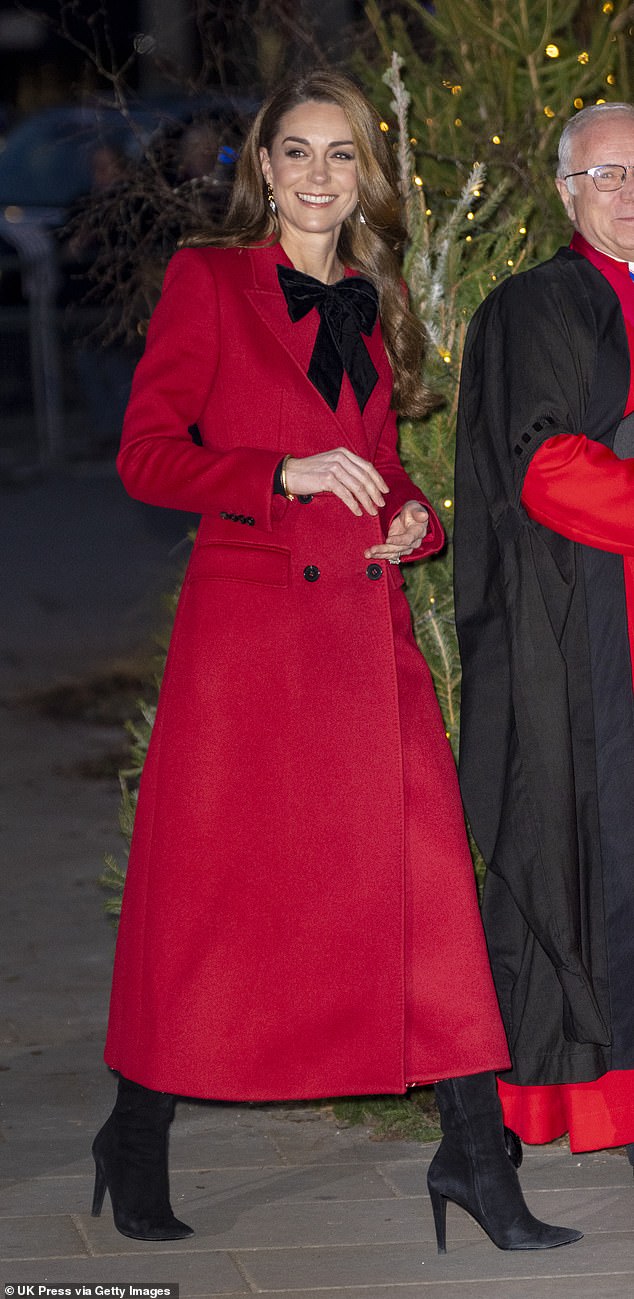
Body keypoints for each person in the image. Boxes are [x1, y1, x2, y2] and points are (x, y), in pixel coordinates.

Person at [92, 70, 580, 1253]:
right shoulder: (208, 282)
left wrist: (414, 516)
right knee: (211, 907)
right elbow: (148, 458)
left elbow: (375, 462)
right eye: (297, 152)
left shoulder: (372, 294)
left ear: (367, 175)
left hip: (363, 641)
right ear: (262, 166)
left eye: (342, 156)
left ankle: (474, 1159)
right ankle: (135, 1131)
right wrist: (274, 474)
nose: (319, 175)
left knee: (429, 899)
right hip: (250, 649)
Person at [454, 101, 634, 1166]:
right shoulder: (541, 304)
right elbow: (545, 467)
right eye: (605, 175)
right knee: (589, 858)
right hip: (587, 635)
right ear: (565, 194)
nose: (627, 192)